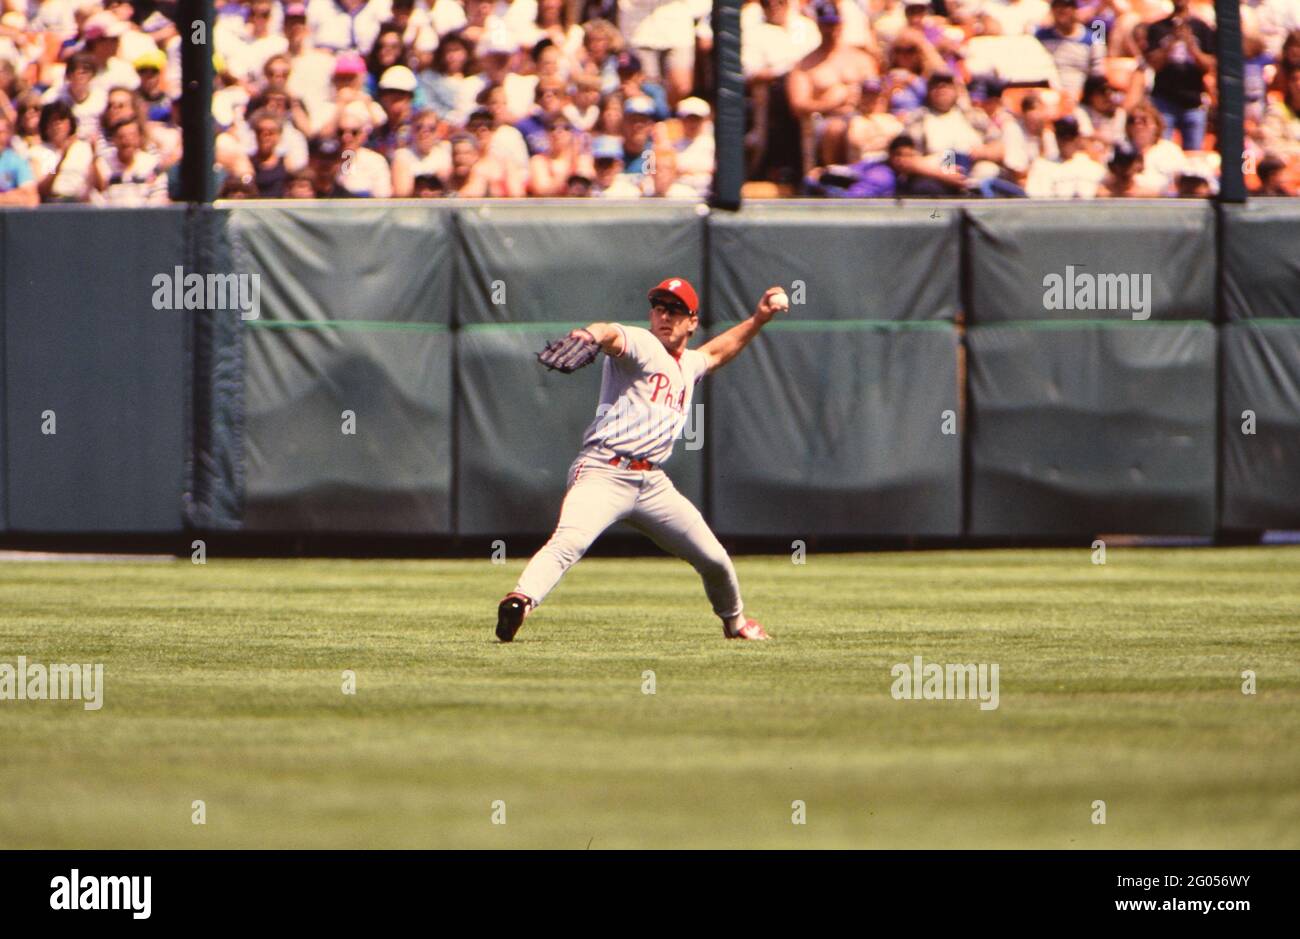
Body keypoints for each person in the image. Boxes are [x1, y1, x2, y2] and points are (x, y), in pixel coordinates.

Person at [495, 278, 790, 643]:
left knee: (714, 558)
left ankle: (736, 623)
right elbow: (611, 333)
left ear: (692, 322)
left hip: (652, 485)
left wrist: (758, 319)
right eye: (659, 308)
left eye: (675, 310)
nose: (665, 316)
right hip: (603, 471)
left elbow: (717, 352)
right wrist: (589, 335)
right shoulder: (644, 344)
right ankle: (519, 601)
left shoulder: (689, 364)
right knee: (570, 541)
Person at [1141, 0, 1216, 150]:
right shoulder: (1157, 28)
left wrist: (1191, 46)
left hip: (1193, 100)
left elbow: (1209, 66)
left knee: (1194, 153)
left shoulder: (1202, 28)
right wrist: (1171, 43)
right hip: (1164, 99)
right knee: (1162, 149)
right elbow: (1153, 64)